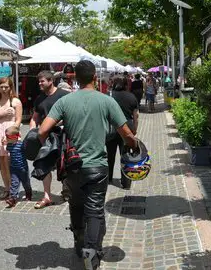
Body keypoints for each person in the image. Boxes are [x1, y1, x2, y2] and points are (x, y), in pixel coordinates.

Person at [38, 60, 137, 270]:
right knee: (95, 210)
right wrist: (133, 144)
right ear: (94, 77)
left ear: (74, 78)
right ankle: (91, 254)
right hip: (97, 166)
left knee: (75, 204)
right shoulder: (106, 101)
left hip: (72, 166)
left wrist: (49, 149)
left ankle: (78, 242)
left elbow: (42, 130)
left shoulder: (65, 101)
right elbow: (126, 133)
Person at [30, 70, 69, 209]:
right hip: (44, 136)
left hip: (63, 135)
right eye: (39, 81)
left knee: (64, 164)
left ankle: (67, 191)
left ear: (51, 81)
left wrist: (55, 123)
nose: (40, 84)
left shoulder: (64, 96)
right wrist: (32, 132)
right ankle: (47, 196)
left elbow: (71, 115)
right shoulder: (39, 98)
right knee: (44, 164)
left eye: (42, 81)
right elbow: (35, 118)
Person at [0, 77, 22, 200]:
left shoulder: (16, 101)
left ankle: (14, 189)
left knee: (10, 161)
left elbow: (18, 120)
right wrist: (1, 114)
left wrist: (12, 133)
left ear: (10, 87)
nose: (3, 89)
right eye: (1, 87)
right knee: (2, 161)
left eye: (6, 87)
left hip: (10, 131)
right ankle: (7, 188)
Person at [106, 76, 138, 189]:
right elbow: (135, 115)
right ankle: (126, 182)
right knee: (126, 155)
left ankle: (108, 179)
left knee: (110, 154)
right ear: (126, 85)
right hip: (127, 128)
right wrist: (134, 129)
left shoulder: (108, 96)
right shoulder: (131, 96)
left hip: (111, 128)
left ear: (113, 84)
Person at [3, 125, 32, 208]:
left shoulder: (21, 145)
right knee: (14, 183)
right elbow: (6, 148)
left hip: (23, 168)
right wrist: (4, 144)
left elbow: (27, 151)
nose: (6, 138)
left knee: (26, 183)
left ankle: (28, 193)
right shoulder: (9, 145)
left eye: (7, 137)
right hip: (13, 168)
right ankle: (12, 199)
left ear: (14, 137)